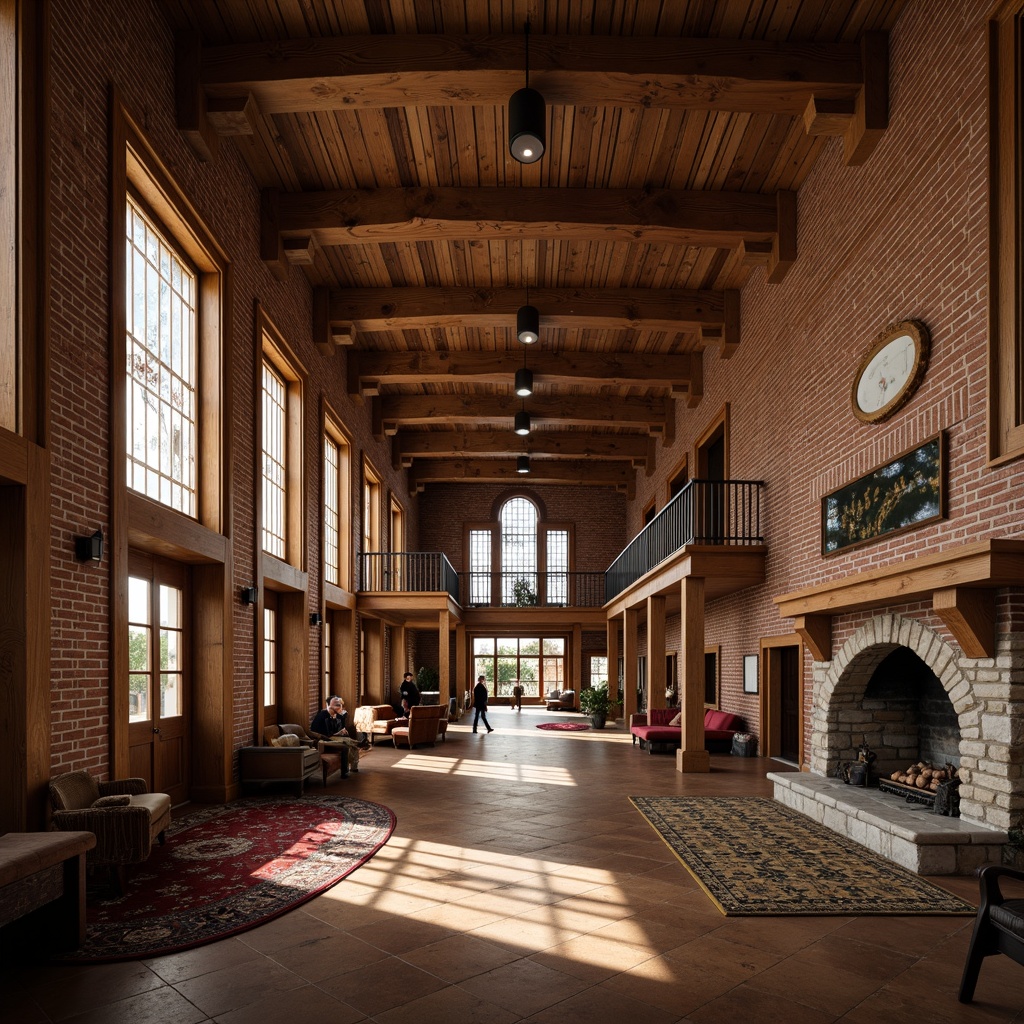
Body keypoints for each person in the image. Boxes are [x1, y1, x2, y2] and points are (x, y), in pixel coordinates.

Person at [309, 696, 366, 772]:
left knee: (352, 745)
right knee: (347, 743)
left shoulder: (334, 716)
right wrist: (339, 733)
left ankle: (354, 767)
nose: (341, 707)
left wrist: (342, 722)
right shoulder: (324, 716)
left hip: (331, 737)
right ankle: (358, 744)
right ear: (331, 706)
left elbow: (336, 730)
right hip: (323, 740)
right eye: (338, 705)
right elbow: (328, 734)